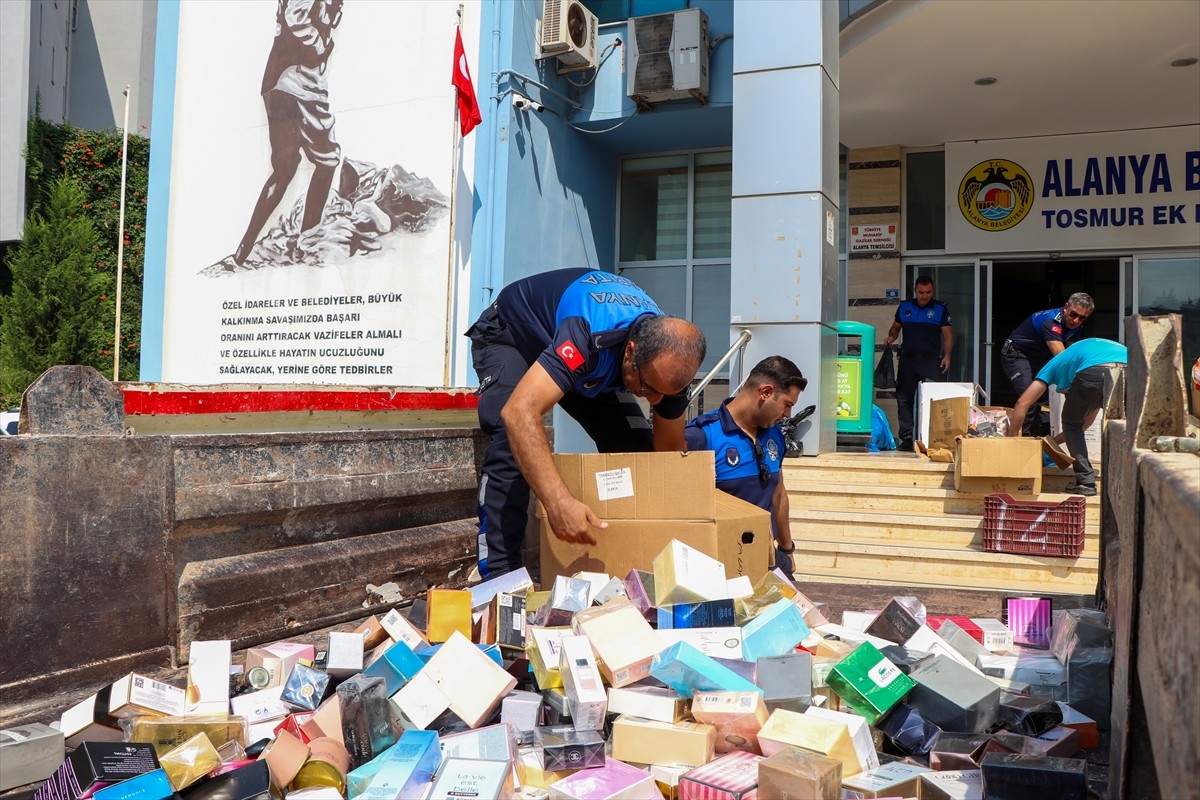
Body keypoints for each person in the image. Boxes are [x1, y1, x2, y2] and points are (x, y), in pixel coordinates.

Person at [466, 268, 707, 578]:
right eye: (648, 388)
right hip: (515, 337)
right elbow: (519, 412)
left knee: (636, 451)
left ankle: (633, 562)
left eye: (665, 394)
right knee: (509, 437)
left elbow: (668, 457)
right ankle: (498, 574)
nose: (655, 400)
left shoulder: (667, 364)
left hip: (591, 369)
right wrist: (558, 502)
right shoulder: (589, 334)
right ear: (631, 352)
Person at [235, 0, 344, 265]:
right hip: (298, 80)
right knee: (328, 159)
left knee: (284, 169)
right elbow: (296, 16)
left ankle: (245, 247)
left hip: (279, 83)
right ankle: (308, 241)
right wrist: (320, 45)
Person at [685, 357, 807, 575]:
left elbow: (778, 494)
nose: (788, 414)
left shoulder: (775, 434)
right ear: (766, 392)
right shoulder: (703, 435)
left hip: (769, 560)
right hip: (725, 567)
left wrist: (787, 549)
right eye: (787, 404)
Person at [1007, 337, 1125, 496]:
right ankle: (1126, 479)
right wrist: (1050, 444)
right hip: (1130, 368)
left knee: (1071, 423)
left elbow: (1022, 403)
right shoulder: (1082, 355)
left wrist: (1011, 441)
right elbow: (1084, 425)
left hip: (1093, 371)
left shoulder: (1054, 364)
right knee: (1125, 424)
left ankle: (1086, 482)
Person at [1001, 293, 1095, 436]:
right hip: (1017, 355)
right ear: (1066, 307)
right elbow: (1063, 358)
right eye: (1073, 314)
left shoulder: (1077, 328)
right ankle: (1020, 443)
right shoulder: (1050, 322)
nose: (1076, 321)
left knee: (1047, 403)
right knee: (1029, 399)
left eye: (1082, 318)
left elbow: (1073, 356)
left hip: (1039, 358)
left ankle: (1047, 443)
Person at [883, 276, 953, 451]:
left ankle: (933, 437)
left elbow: (948, 335)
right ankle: (906, 439)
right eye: (921, 292)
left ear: (933, 290)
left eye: (928, 292)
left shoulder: (940, 309)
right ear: (915, 290)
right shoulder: (905, 307)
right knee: (904, 399)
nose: (925, 296)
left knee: (933, 400)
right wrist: (892, 336)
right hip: (908, 360)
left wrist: (947, 356)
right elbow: (895, 328)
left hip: (931, 360)